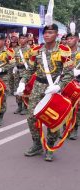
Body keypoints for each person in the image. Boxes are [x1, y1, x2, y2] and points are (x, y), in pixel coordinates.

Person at [16, 22, 74, 162]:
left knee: (51, 118)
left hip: (53, 88)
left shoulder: (63, 50)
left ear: (56, 34)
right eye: (45, 33)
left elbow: (69, 73)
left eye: (51, 33)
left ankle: (49, 146)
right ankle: (37, 144)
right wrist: (22, 82)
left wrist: (59, 86)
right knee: (31, 116)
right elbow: (30, 69)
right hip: (38, 86)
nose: (47, 35)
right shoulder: (36, 50)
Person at [66, 23, 80, 140]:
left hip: (78, 84)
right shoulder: (65, 53)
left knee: (76, 107)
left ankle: (74, 128)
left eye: (72, 38)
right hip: (65, 83)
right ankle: (65, 128)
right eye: (68, 38)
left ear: (77, 39)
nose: (69, 40)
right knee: (65, 106)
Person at [14, 27, 30, 115]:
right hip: (17, 71)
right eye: (20, 38)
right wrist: (14, 66)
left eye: (24, 38)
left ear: (27, 39)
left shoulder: (30, 49)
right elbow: (13, 60)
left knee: (25, 90)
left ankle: (25, 107)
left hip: (26, 71)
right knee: (17, 90)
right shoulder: (16, 49)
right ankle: (19, 106)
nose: (22, 39)